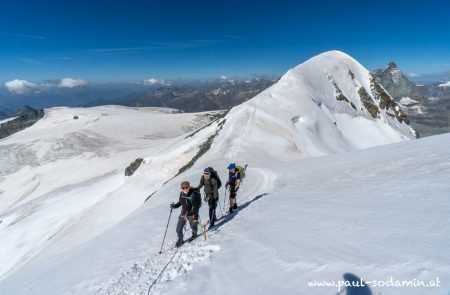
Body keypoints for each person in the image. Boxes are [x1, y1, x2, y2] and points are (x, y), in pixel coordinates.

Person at [170, 181, 201, 247]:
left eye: (186, 187)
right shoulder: (181, 194)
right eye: (183, 188)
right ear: (181, 188)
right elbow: (180, 203)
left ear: (189, 187)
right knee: (178, 229)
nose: (185, 189)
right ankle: (180, 239)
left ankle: (194, 234)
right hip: (184, 213)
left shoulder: (193, 194)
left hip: (192, 213)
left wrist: (196, 218)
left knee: (193, 226)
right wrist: (174, 206)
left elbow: (196, 207)